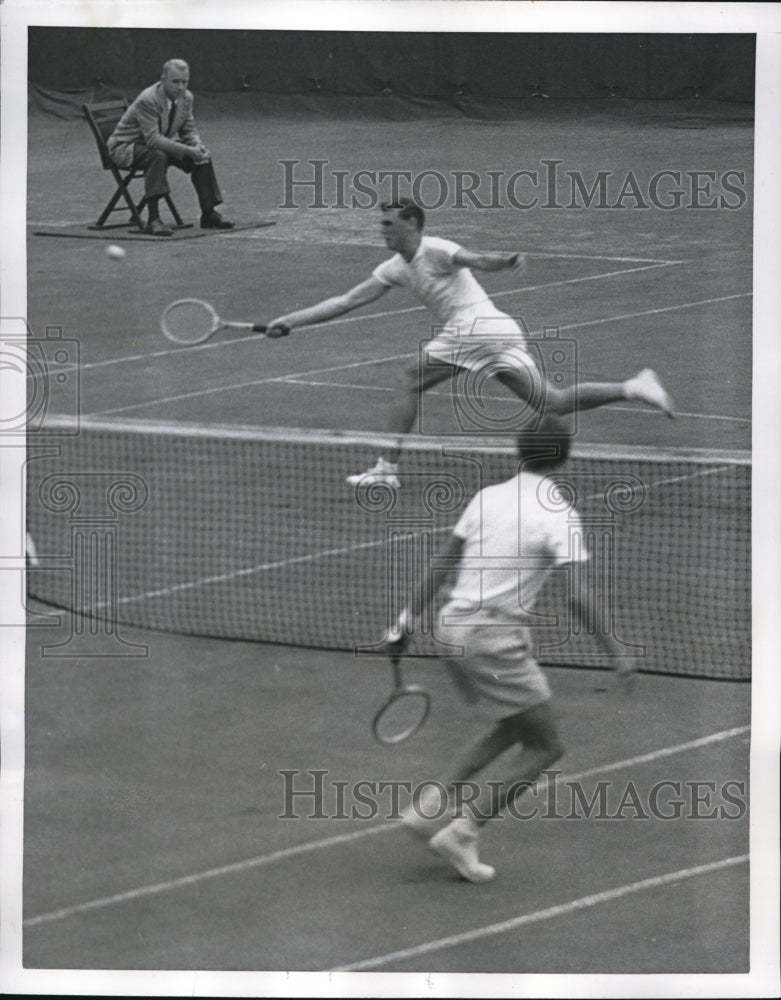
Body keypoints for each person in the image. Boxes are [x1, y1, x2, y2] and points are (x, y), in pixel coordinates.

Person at [377, 415, 637, 883]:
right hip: (491, 639)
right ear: (564, 459)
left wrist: (404, 620)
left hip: (450, 630)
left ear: (518, 453)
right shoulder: (560, 514)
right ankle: (462, 831)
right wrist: (617, 651)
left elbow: (443, 563)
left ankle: (429, 807)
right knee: (545, 744)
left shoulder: (485, 498)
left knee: (514, 723)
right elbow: (577, 596)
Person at [266, 198, 674, 487]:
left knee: (409, 379)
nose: (382, 231)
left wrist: (505, 260)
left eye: (389, 225)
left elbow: (475, 259)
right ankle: (634, 387)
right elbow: (345, 302)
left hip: (475, 328)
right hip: (499, 331)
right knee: (552, 401)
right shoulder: (393, 267)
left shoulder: (437, 248)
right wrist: (290, 320)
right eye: (381, 225)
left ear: (412, 224)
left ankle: (386, 469)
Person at [107, 59, 234, 236]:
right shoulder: (148, 99)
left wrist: (198, 146)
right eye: (175, 82)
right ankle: (153, 220)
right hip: (125, 148)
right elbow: (153, 140)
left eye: (185, 82)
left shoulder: (187, 98)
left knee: (202, 156)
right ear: (163, 79)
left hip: (154, 146)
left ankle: (209, 213)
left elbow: (189, 129)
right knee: (158, 156)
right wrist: (189, 151)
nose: (180, 87)